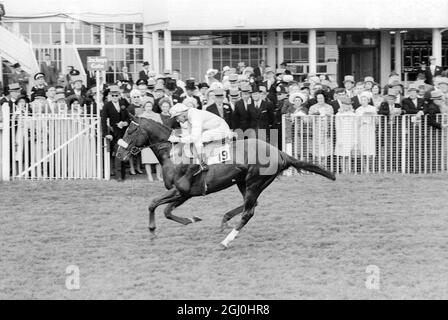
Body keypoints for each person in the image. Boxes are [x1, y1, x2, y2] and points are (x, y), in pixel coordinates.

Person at [168, 103, 233, 174]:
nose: (177, 121)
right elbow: (190, 134)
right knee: (197, 139)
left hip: (222, 130)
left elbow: (194, 137)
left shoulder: (195, 116)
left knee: (199, 138)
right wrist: (180, 137)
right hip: (213, 129)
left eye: (177, 117)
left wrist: (178, 139)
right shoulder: (190, 115)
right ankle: (203, 162)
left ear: (182, 113)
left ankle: (203, 163)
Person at [101, 85, 130, 181]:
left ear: (119, 95)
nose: (115, 97)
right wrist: (106, 134)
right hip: (114, 133)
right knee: (118, 151)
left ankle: (123, 174)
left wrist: (125, 122)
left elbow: (127, 117)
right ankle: (118, 175)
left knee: (123, 151)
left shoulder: (123, 103)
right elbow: (103, 120)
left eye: (116, 95)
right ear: (110, 95)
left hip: (123, 132)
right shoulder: (107, 105)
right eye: (113, 95)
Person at [139, 98, 163, 182]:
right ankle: (149, 176)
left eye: (150, 106)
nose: (148, 107)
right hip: (146, 140)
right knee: (147, 159)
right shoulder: (141, 116)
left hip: (156, 139)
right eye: (147, 106)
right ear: (144, 107)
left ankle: (158, 176)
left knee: (158, 159)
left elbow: (160, 126)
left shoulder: (157, 115)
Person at [355, 93, 378, 172]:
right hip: (361, 130)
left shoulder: (373, 108)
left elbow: (377, 122)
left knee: (370, 150)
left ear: (368, 100)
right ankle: (365, 169)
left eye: (365, 100)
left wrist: (374, 116)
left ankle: (370, 168)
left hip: (370, 130)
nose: (363, 101)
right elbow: (356, 122)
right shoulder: (358, 110)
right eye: (362, 100)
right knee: (362, 150)